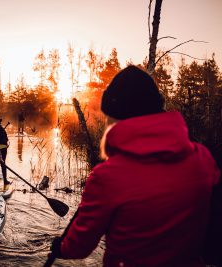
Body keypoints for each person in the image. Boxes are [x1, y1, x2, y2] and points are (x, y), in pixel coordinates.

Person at [49, 65, 220, 267]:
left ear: (116, 117)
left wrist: (61, 247)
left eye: (108, 116)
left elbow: (79, 247)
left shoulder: (106, 177)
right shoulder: (203, 158)